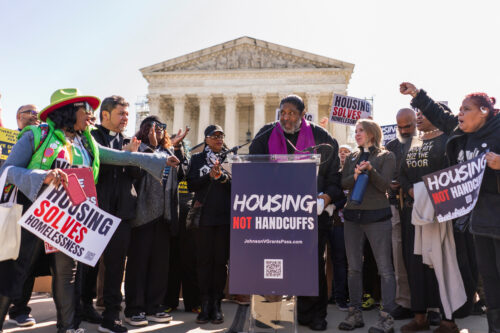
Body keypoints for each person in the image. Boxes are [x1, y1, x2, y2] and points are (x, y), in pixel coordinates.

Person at [0, 88, 178, 333]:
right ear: (70, 111)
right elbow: (7, 171)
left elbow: (120, 157)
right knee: (16, 272)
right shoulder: (35, 135)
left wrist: (157, 160)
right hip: (32, 214)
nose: (91, 116)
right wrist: (43, 176)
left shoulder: (86, 142)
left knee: (66, 274)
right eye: (87, 110)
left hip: (66, 217)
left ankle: (68, 328)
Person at [400, 82, 500, 332]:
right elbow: (439, 114)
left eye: (466, 109)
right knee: (490, 281)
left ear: (484, 112)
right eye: (460, 110)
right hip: (479, 219)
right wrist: (416, 95)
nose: (460, 114)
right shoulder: (462, 132)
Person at [249, 95, 344, 331]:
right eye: (283, 112)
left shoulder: (322, 137)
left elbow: (335, 177)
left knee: (311, 266)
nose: (286, 117)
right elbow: (250, 166)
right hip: (273, 214)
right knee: (273, 264)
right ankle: (269, 313)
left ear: (303, 114)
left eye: (292, 113)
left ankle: (314, 315)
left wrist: (326, 198)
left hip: (310, 214)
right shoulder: (265, 134)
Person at [123, 116, 188, 326]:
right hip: (142, 216)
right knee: (138, 265)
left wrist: (178, 150)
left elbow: (182, 176)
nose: (159, 131)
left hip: (164, 215)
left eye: (162, 128)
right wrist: (150, 148)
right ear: (144, 129)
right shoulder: (136, 147)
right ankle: (134, 309)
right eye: (153, 127)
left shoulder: (168, 151)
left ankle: (154, 306)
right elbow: (134, 173)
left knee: (160, 266)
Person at [398, 108, 457, 332]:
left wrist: (430, 191)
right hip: (414, 212)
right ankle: (419, 316)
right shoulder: (413, 142)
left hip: (440, 212)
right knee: (415, 265)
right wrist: (410, 189)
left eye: (425, 113)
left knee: (442, 265)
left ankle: (447, 319)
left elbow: (452, 171)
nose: (419, 117)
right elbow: (402, 172)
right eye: (418, 114)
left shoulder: (448, 141)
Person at [339, 119, 397, 333]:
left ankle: (386, 318)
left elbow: (385, 186)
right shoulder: (352, 156)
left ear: (372, 133)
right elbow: (342, 183)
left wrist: (371, 170)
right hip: (352, 217)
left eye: (361, 130)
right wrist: (354, 175)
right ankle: (354, 314)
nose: (357, 134)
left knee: (385, 270)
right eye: (355, 131)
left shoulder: (386, 156)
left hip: (377, 217)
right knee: (353, 268)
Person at [186, 124, 231, 325]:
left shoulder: (229, 158)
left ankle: (216, 304)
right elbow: (191, 184)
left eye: (221, 136)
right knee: (203, 262)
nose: (219, 139)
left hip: (223, 218)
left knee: (220, 263)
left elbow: (237, 183)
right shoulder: (197, 159)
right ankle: (204, 304)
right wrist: (208, 176)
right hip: (203, 218)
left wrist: (221, 177)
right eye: (214, 136)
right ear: (206, 139)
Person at [385, 108, 416, 320]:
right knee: (399, 256)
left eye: (408, 126)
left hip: (421, 208)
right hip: (396, 206)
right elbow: (385, 176)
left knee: (425, 257)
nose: (404, 130)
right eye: (400, 127)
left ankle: (431, 306)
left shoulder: (426, 144)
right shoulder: (391, 147)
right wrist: (391, 184)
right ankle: (404, 301)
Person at [328, 144, 351, 311]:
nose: (342, 154)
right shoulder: (332, 173)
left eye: (346, 152)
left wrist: (335, 206)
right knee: (331, 261)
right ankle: (332, 294)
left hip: (343, 223)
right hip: (329, 222)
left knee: (340, 260)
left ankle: (341, 297)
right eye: (340, 152)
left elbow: (348, 197)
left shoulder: (351, 173)